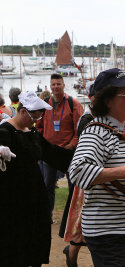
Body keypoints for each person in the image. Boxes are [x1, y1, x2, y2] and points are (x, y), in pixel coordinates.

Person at [69, 68, 125, 266]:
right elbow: (78, 171)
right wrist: (122, 172)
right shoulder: (96, 133)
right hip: (110, 232)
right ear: (107, 100)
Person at [0, 91, 73, 267]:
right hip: (13, 195)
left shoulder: (32, 132)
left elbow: (51, 152)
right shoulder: (5, 131)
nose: (36, 121)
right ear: (23, 111)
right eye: (34, 117)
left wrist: (77, 158)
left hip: (34, 192)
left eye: (39, 117)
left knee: (36, 230)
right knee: (15, 234)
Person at [36, 73, 84, 220]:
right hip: (49, 152)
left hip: (67, 152)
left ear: (63, 85)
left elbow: (80, 130)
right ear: (50, 86)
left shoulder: (73, 104)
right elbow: (38, 127)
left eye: (59, 84)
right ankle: (47, 216)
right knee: (47, 185)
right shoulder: (44, 104)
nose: (56, 87)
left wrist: (71, 145)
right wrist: (40, 145)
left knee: (73, 186)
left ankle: (72, 218)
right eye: (53, 84)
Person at [60, 82, 96, 267]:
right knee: (81, 222)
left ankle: (72, 251)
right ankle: (72, 253)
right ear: (91, 97)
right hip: (86, 181)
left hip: (97, 179)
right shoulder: (87, 120)